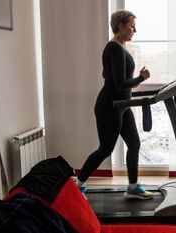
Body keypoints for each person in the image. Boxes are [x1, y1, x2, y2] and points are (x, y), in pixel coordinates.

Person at [76, 9, 153, 199]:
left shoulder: (120, 47)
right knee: (105, 149)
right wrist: (140, 78)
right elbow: (119, 84)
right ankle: (77, 185)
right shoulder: (114, 48)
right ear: (121, 26)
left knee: (134, 144)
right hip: (109, 107)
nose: (135, 30)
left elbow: (107, 76)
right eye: (132, 26)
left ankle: (133, 187)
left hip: (122, 105)